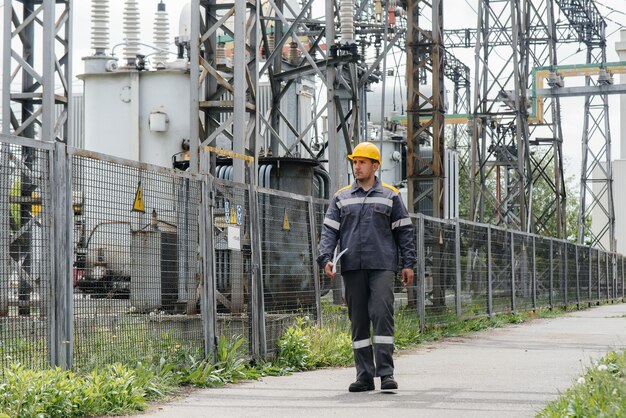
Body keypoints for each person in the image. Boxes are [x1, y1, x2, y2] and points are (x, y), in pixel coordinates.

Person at [317, 141, 416, 392]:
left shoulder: (391, 195)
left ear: (375, 166)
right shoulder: (342, 197)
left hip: (382, 264)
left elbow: (404, 232)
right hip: (352, 266)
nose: (357, 166)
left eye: (362, 162)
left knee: (382, 315)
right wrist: (326, 258)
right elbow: (329, 232)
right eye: (355, 162)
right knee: (358, 320)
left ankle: (386, 374)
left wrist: (408, 264)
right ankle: (364, 376)